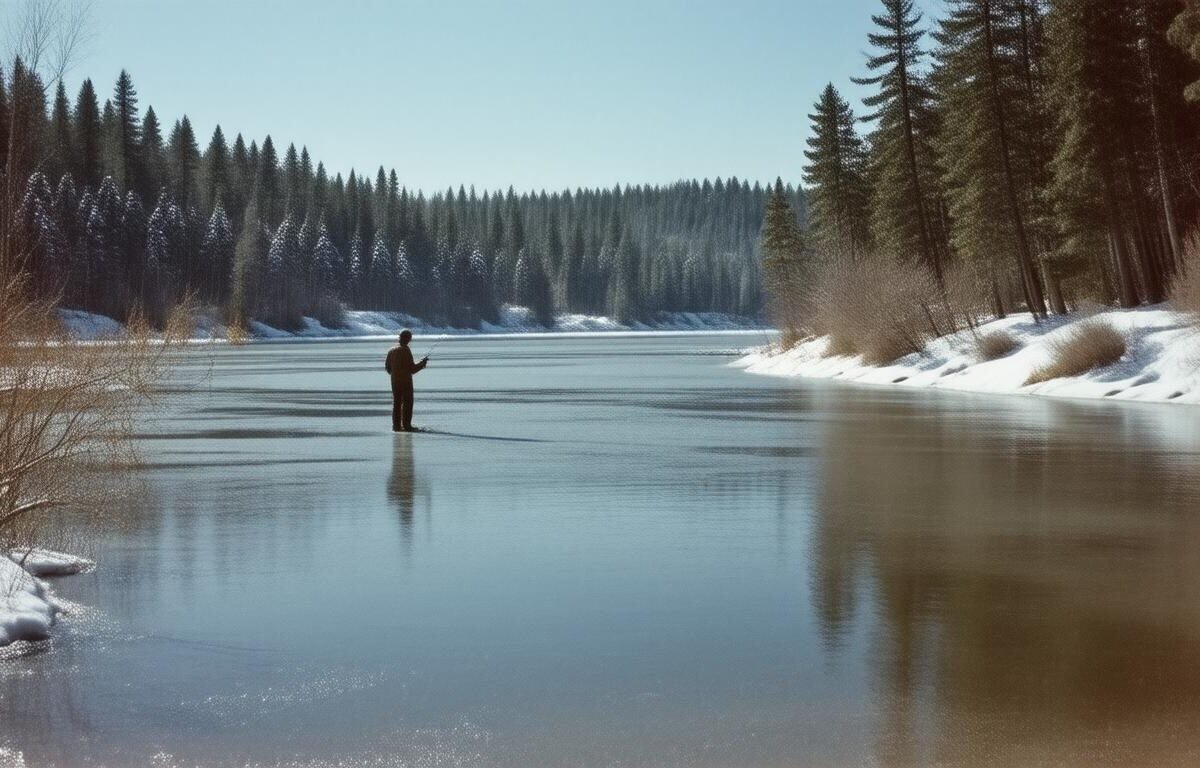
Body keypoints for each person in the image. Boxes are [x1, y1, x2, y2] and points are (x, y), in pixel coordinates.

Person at [384, 330, 428, 432]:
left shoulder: (391, 350)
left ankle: (396, 426)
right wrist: (422, 364)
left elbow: (387, 367)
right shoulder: (405, 350)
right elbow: (412, 369)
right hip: (406, 381)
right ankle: (407, 426)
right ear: (408, 339)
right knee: (408, 403)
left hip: (395, 381)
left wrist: (396, 374)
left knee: (396, 403)